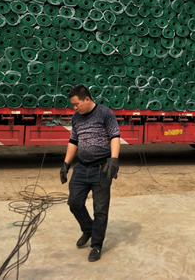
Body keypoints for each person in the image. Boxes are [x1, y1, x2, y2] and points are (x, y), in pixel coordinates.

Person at [60, 85, 120, 262]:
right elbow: (73, 140)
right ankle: (88, 229)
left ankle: (96, 245)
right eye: (73, 105)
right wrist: (66, 163)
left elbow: (114, 136)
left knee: (100, 210)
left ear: (87, 99)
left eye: (76, 104)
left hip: (102, 168)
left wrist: (114, 160)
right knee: (74, 203)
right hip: (81, 167)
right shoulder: (76, 117)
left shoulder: (105, 113)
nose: (74, 108)